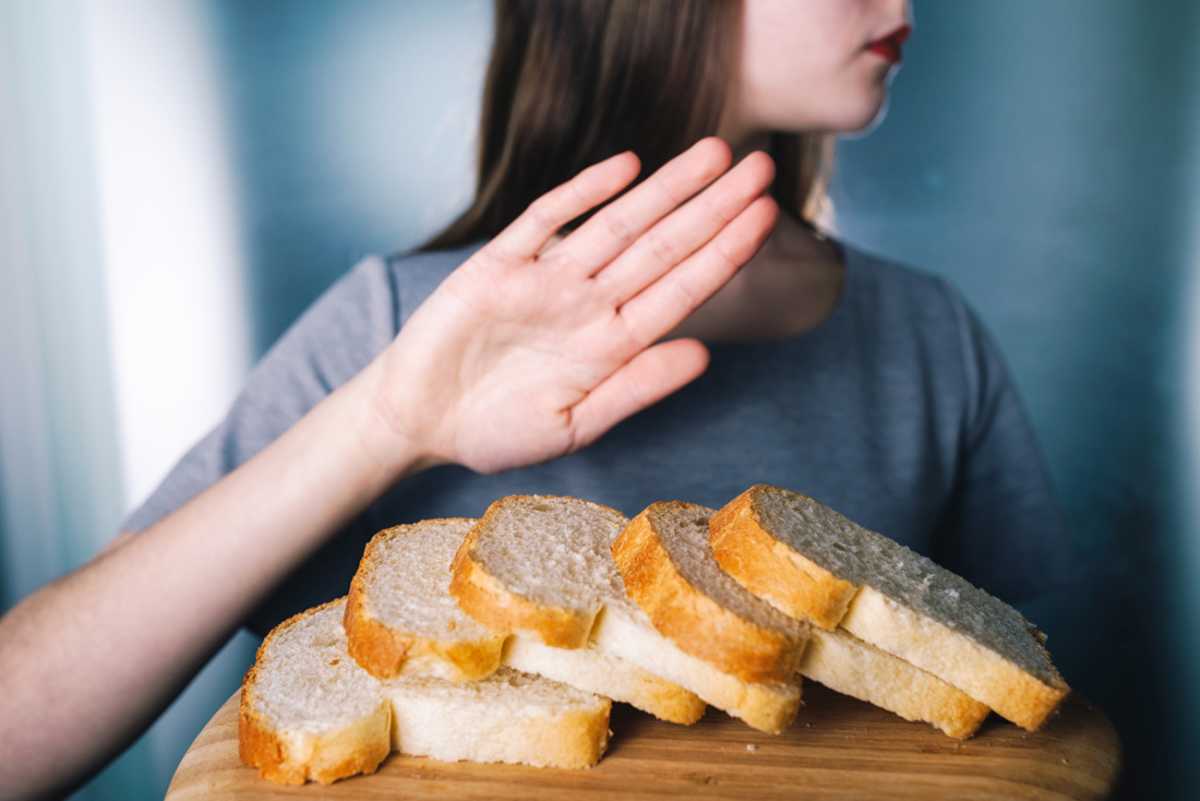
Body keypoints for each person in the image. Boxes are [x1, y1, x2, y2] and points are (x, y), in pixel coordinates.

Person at [0, 0, 1082, 797]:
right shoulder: (397, 326)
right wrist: (386, 425)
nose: (901, 4)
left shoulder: (933, 335)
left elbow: (1057, 717)